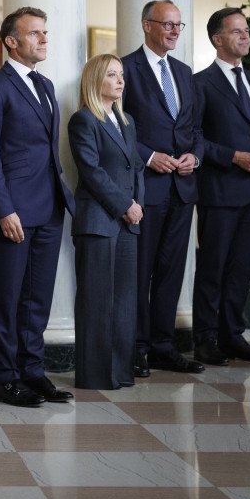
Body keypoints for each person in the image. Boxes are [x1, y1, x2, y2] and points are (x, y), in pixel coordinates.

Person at [0, 6, 75, 407]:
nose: (43, 39)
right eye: (35, 33)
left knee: (38, 299)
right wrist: (2, 208)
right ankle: (6, 379)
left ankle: (33, 372)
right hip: (13, 209)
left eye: (45, 33)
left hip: (49, 206)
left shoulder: (46, 85)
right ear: (12, 41)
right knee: (7, 298)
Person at [191, 7, 250, 365]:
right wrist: (234, 157)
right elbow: (195, 138)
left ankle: (233, 336)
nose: (246, 36)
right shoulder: (200, 83)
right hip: (219, 190)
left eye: (246, 30)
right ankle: (205, 339)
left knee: (242, 268)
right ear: (217, 39)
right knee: (213, 268)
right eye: (237, 31)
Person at [121, 0, 205, 377]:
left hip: (182, 189)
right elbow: (118, 129)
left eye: (178, 25)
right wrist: (147, 155)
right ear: (147, 26)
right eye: (167, 24)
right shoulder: (125, 69)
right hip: (146, 187)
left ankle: (162, 346)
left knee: (172, 270)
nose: (174, 31)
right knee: (140, 272)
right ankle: (136, 348)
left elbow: (195, 131)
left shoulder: (185, 73)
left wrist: (195, 157)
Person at [68, 55, 145, 390]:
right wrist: (125, 205)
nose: (120, 81)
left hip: (129, 222)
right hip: (98, 221)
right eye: (112, 75)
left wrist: (137, 205)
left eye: (122, 75)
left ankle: (120, 371)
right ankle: (95, 375)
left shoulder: (126, 120)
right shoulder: (83, 120)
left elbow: (137, 167)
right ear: (95, 79)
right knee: (96, 300)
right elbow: (91, 171)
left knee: (125, 302)